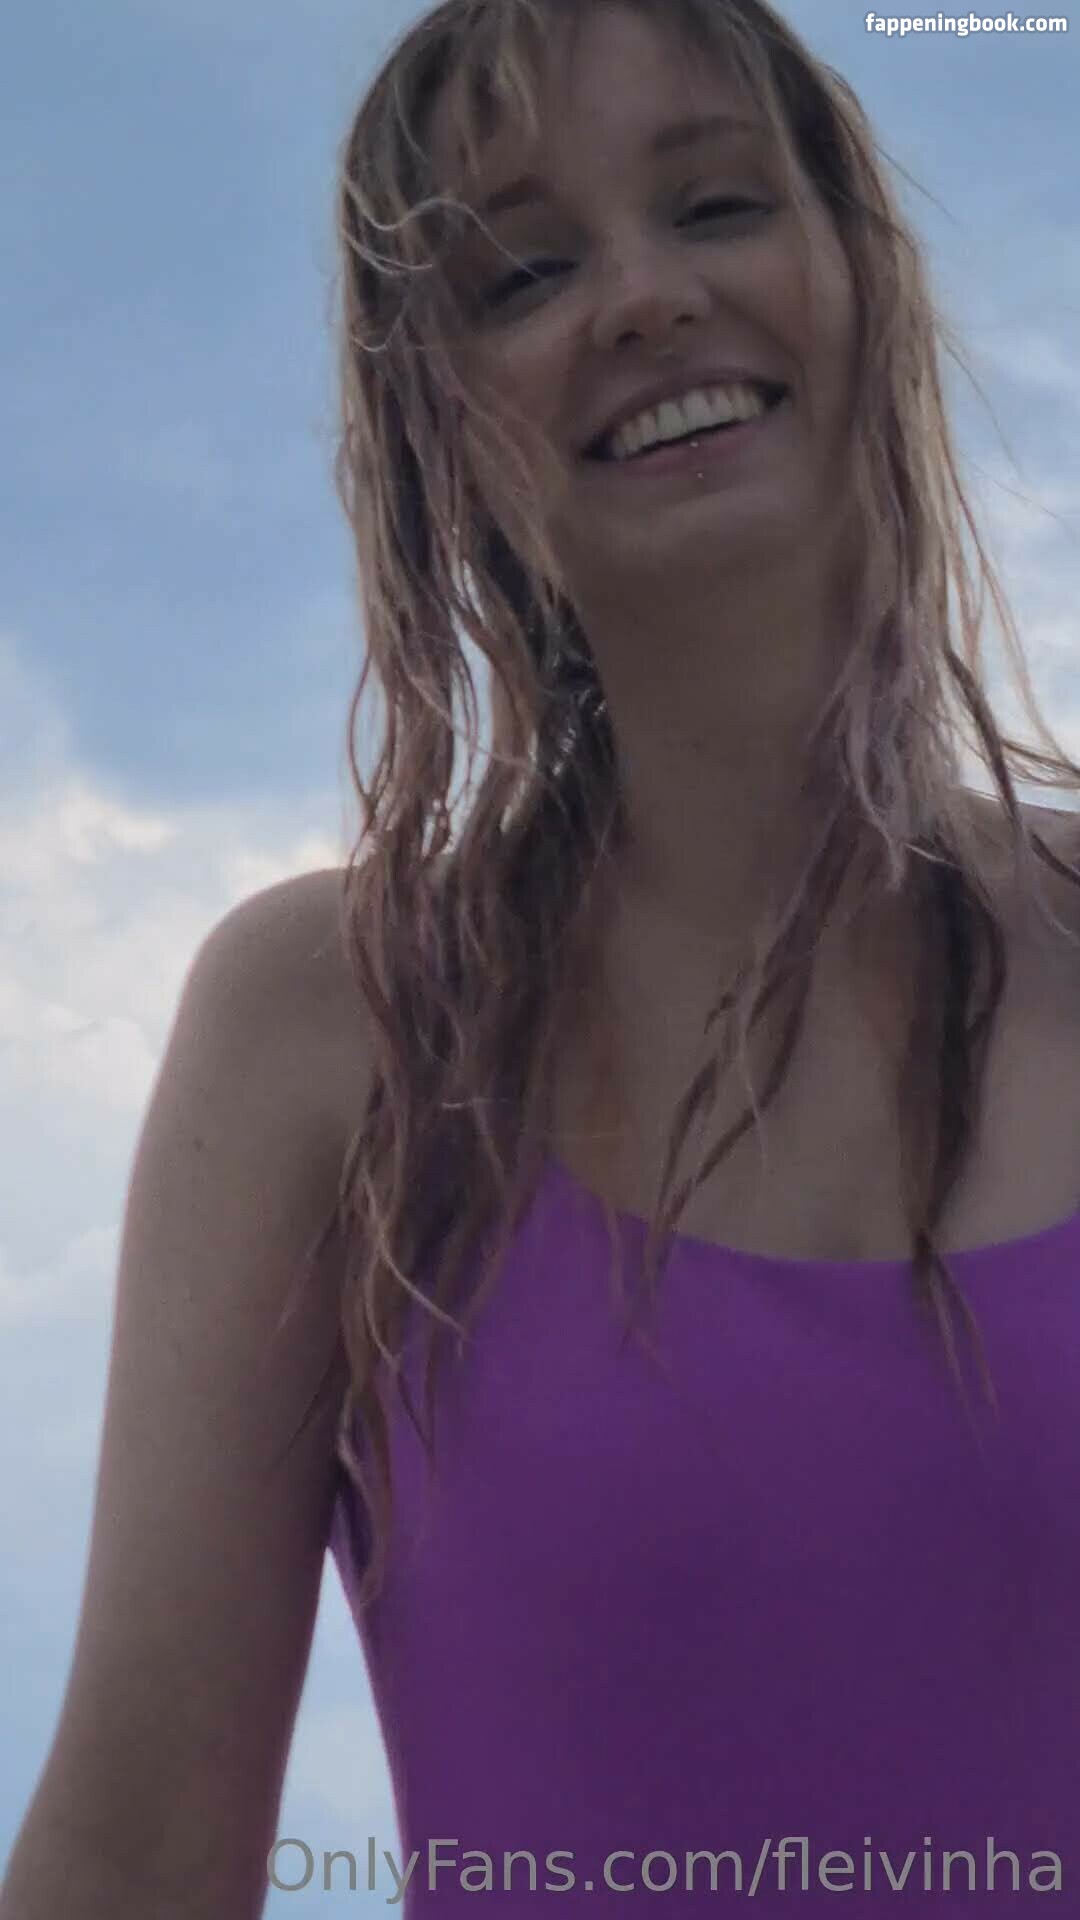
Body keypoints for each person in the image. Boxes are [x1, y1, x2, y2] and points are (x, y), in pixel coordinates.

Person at [4, 0, 1080, 1914]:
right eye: (526, 273)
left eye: (717, 205)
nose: (647, 297)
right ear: (439, 428)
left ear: (862, 274)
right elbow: (137, 1855)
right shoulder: (334, 1031)